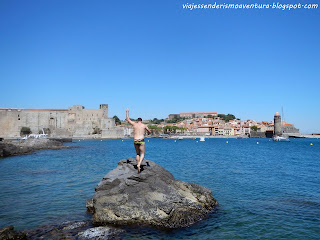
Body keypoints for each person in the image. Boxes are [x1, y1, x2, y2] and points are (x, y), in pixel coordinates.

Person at [126, 108, 151, 173]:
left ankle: (138, 165)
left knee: (137, 154)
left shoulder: (134, 124)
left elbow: (128, 119)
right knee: (142, 154)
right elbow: (149, 131)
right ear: (141, 121)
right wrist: (148, 132)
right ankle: (139, 164)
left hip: (136, 140)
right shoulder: (144, 125)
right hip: (141, 140)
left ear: (137, 121)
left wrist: (127, 112)